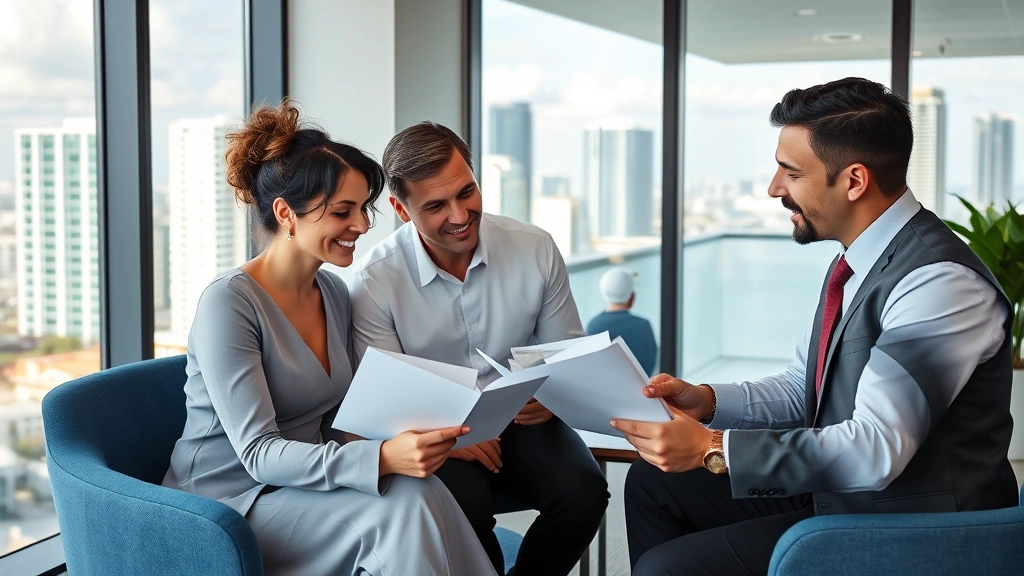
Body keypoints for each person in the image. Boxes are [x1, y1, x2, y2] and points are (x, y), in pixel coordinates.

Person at [611, 77, 1017, 576]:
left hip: (914, 525)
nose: (774, 188)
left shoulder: (939, 283)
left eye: (791, 172)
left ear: (853, 181)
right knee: (653, 483)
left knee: (669, 568)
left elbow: (875, 448)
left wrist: (714, 449)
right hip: (844, 496)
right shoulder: (857, 262)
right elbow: (805, 390)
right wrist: (708, 402)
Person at [161, 101, 496, 576]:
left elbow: (345, 417)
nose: (362, 226)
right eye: (344, 211)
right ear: (286, 213)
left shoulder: (333, 292)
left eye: (363, 209)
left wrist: (421, 439)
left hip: (304, 484)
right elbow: (257, 454)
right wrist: (379, 457)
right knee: (395, 514)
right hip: (226, 504)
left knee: (423, 489)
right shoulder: (229, 304)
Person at [349, 121, 610, 576]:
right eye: (435, 205)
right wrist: (441, 435)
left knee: (585, 492)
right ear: (401, 209)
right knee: (463, 507)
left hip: (522, 415)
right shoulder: (375, 281)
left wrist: (550, 394)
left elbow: (566, 353)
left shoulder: (534, 248)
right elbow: (383, 397)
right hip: (437, 430)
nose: (459, 214)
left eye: (466, 191)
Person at [587, 267, 658, 375]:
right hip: (642, 390)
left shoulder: (594, 326)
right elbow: (651, 365)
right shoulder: (644, 325)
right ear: (631, 296)